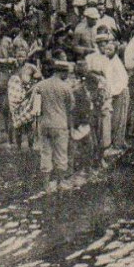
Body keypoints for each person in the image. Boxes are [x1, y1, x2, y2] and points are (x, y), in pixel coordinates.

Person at [33, 55, 78, 188]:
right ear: (61, 72)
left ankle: (46, 186)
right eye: (67, 73)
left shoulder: (40, 85)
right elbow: (71, 107)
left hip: (44, 124)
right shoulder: (65, 87)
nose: (67, 76)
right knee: (61, 155)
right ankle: (59, 183)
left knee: (45, 154)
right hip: (60, 125)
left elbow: (36, 109)